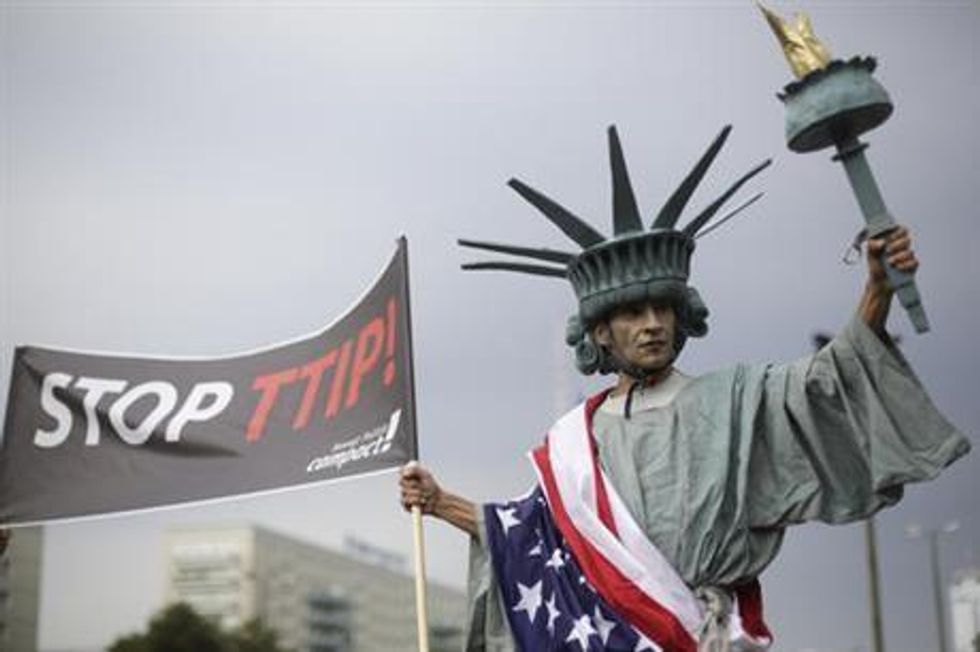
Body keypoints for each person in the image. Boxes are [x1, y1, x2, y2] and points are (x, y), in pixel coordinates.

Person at [400, 126, 970, 651]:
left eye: (662, 308)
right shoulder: (576, 441)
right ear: (601, 331)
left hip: (709, 633)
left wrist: (876, 288)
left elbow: (833, 376)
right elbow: (530, 538)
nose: (652, 323)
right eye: (632, 312)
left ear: (681, 314)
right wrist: (439, 502)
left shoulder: (738, 400)